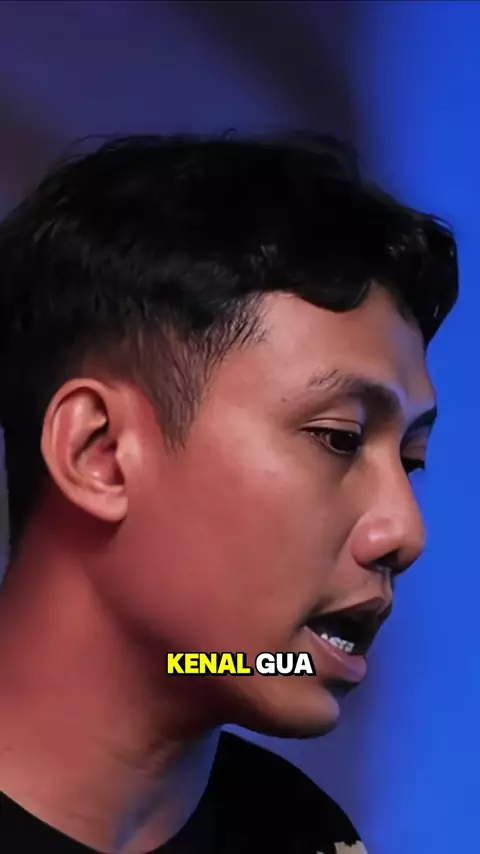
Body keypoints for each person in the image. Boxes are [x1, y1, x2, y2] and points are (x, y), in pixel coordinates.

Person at [0, 132, 457, 854]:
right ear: (99, 453)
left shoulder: (310, 837)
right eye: (339, 437)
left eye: (411, 460)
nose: (404, 531)